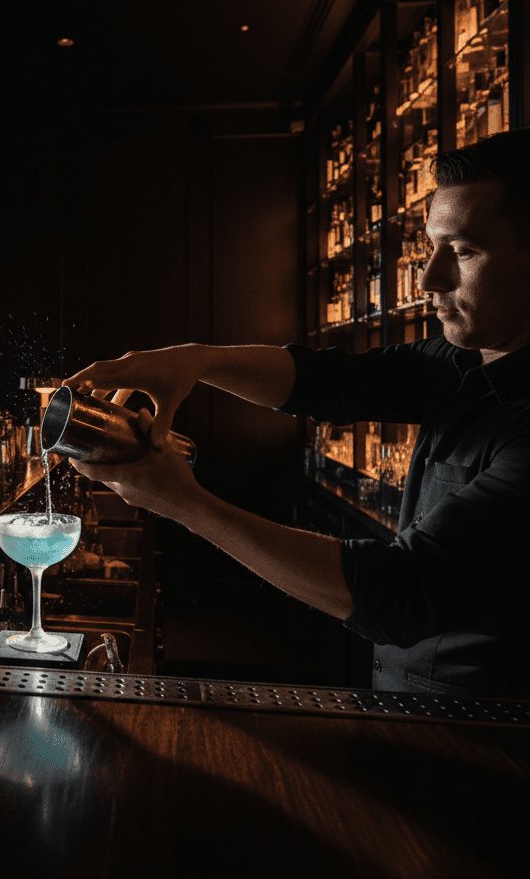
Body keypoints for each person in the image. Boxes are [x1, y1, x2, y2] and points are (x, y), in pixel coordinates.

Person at [64, 129, 530, 700]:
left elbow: (401, 593)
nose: (429, 278)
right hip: (412, 709)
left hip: (492, 743)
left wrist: (184, 503)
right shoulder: (457, 361)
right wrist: (194, 361)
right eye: (431, 248)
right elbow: (327, 381)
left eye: (462, 252)